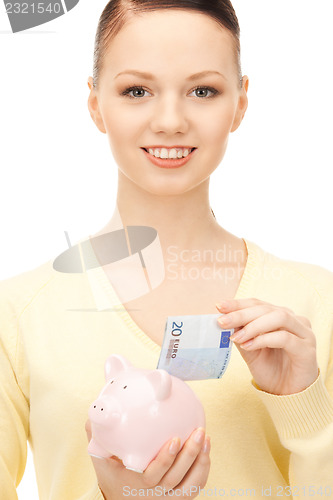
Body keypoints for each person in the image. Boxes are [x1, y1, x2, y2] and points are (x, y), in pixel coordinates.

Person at [1, 0, 332, 498]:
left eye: (203, 90)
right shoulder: (19, 315)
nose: (171, 120)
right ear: (95, 103)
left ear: (241, 102)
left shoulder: (316, 306)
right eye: (137, 90)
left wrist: (304, 407)